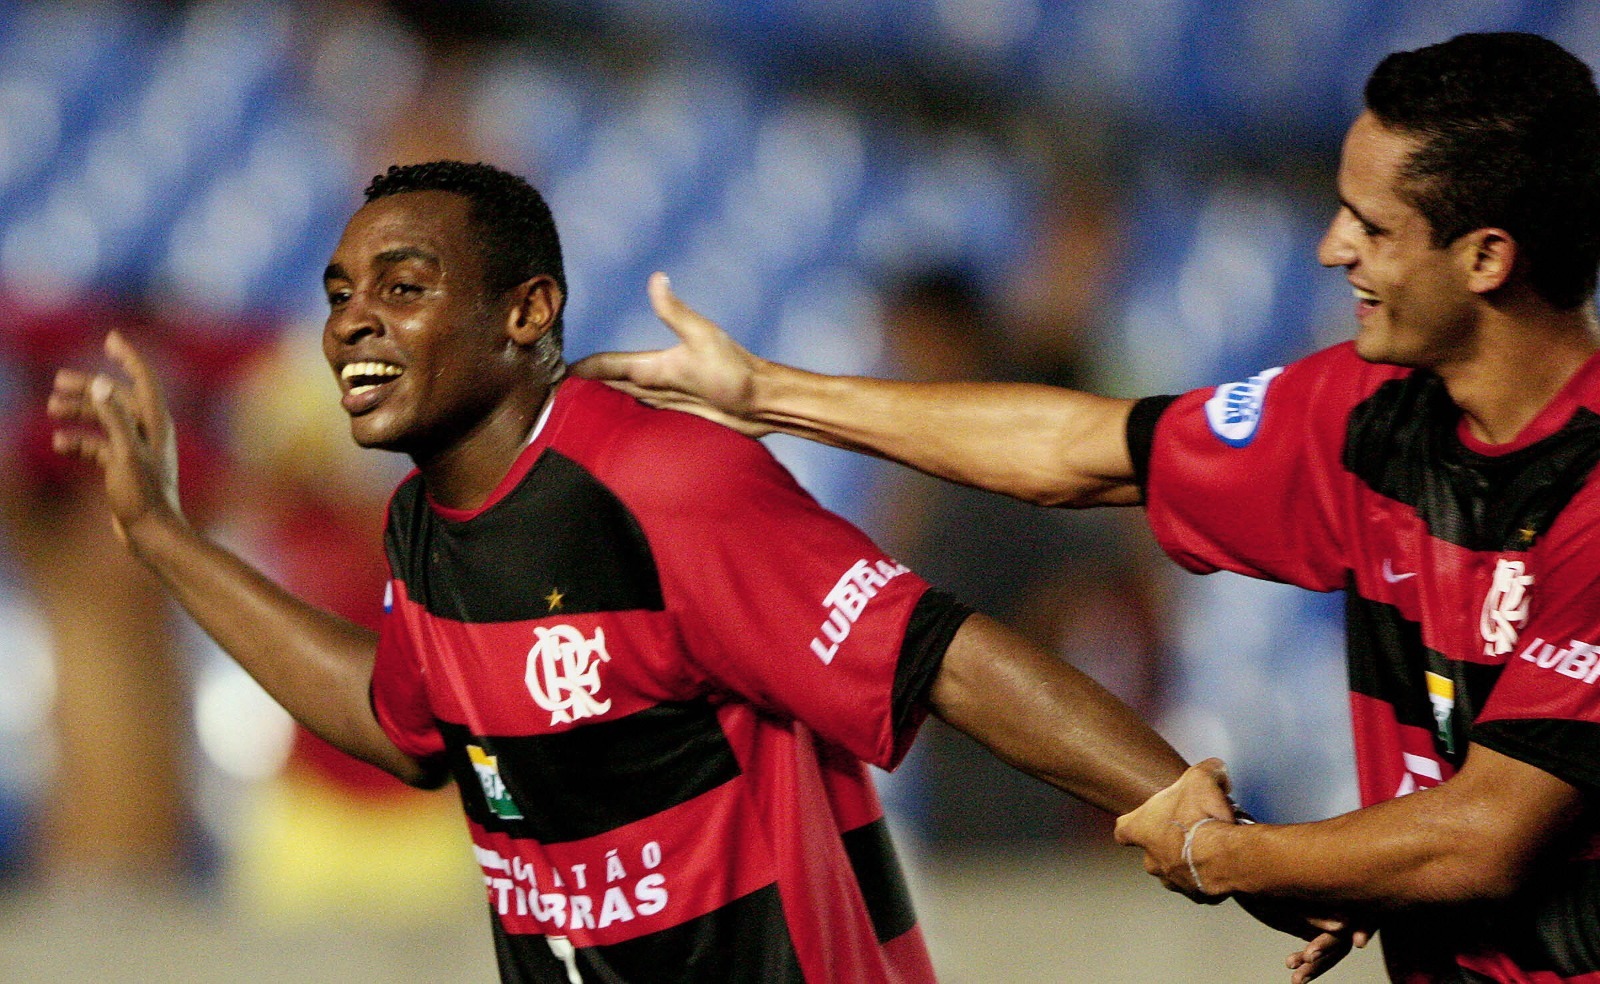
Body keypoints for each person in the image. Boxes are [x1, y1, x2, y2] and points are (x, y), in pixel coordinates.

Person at [574, 31, 1600, 984]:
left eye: (1372, 227)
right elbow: (1076, 451)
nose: (1333, 248)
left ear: (1485, 258)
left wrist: (1238, 856)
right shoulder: (1362, 413)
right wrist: (767, 394)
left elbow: (1483, 838)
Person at [47, 160, 1196, 983]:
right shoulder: (423, 524)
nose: (354, 325)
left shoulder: (663, 482)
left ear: (527, 310)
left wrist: (1188, 819)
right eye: (340, 296)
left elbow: (937, 653)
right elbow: (395, 722)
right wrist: (165, 539)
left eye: (401, 288)